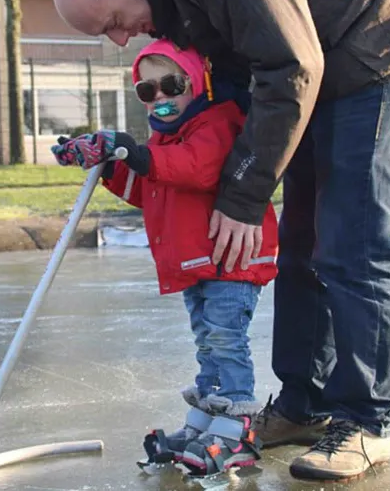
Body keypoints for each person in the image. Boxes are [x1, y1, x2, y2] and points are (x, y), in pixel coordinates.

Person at [50, 0, 390, 482]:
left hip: (367, 48)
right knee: (302, 246)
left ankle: (367, 421)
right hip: (305, 68)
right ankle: (304, 405)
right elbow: (231, 82)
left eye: (112, 22)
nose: (121, 40)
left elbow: (290, 64)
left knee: (349, 244)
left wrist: (244, 196)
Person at [51, 38, 279, 476]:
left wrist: (137, 152)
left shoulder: (218, 121)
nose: (160, 98)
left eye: (171, 85)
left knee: (225, 341)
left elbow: (197, 167)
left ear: (196, 83)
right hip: (199, 263)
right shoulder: (165, 139)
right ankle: (207, 422)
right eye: (146, 91)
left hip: (230, 260)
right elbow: (151, 186)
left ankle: (236, 427)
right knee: (208, 343)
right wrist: (110, 164)